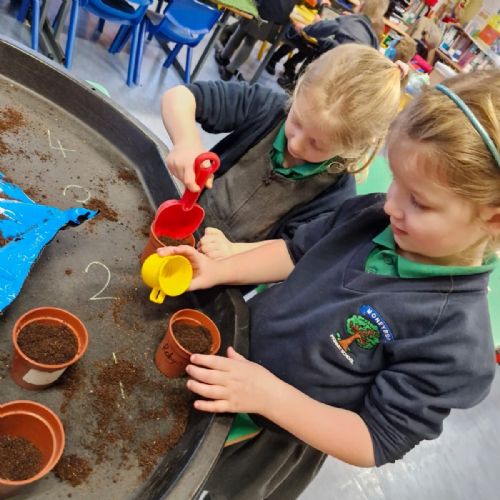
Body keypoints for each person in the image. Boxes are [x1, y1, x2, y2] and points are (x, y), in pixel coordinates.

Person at [158, 68, 500, 499]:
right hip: (231, 355)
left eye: (418, 201)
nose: (391, 205)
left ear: (494, 220)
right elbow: (295, 252)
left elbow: (376, 439)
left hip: (264, 435)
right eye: (395, 181)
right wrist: (219, 269)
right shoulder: (371, 214)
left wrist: (266, 395)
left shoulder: (454, 340)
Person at [161, 44, 402, 246]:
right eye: (296, 121)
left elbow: (290, 253)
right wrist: (186, 143)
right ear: (297, 91)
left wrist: (234, 254)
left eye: (316, 145)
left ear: (353, 148)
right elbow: (180, 96)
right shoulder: (268, 108)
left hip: (223, 273)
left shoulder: (335, 196)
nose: (296, 145)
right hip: (181, 221)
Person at [266, 0, 388, 89]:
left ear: (361, 6)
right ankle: (287, 67)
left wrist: (308, 28)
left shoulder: (350, 21)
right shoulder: (373, 39)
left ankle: (294, 78)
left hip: (331, 66)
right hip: (348, 79)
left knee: (309, 42)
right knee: (311, 44)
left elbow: (319, 30)